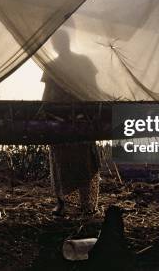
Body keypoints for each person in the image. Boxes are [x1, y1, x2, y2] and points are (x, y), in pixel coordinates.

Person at [41, 31, 101, 215]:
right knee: (63, 163)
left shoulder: (80, 63)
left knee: (78, 162)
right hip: (65, 119)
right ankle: (67, 204)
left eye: (59, 41)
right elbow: (47, 94)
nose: (58, 45)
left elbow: (92, 88)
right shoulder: (53, 66)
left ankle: (82, 204)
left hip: (78, 119)